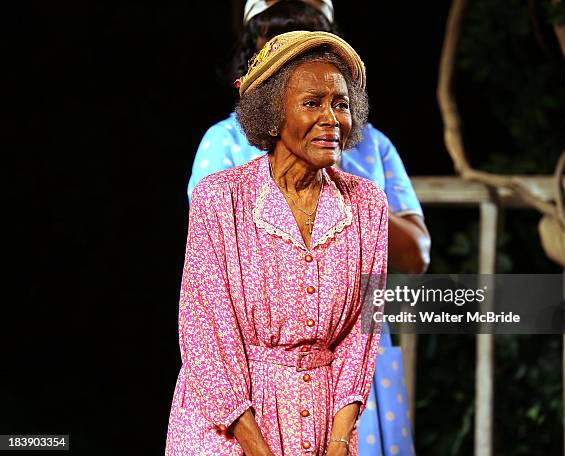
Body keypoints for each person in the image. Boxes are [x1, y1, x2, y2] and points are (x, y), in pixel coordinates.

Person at [166, 31, 387, 455]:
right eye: (312, 103)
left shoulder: (367, 204)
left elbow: (364, 330)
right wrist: (256, 446)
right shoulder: (221, 198)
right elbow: (205, 332)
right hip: (228, 428)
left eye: (340, 104)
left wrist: (340, 440)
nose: (331, 118)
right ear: (271, 115)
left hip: (322, 425)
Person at [188, 0, 430, 275]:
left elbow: (416, 260)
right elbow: (213, 264)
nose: (298, 50)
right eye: (281, 39)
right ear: (254, 56)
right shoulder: (224, 143)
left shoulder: (371, 148)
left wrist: (342, 185)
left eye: (310, 37)